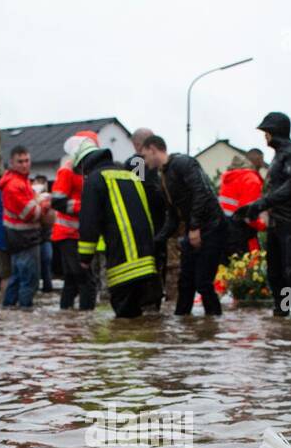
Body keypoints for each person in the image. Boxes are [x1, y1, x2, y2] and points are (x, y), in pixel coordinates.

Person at [234, 112, 291, 318]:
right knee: (276, 272)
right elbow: (276, 189)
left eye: (266, 132)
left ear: (274, 132)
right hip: (277, 223)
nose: (265, 137)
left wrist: (262, 203)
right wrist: (256, 207)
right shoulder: (279, 156)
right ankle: (283, 311)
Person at [74, 137, 160, 319]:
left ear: (84, 165)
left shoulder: (95, 180)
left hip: (124, 267)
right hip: (148, 263)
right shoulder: (130, 175)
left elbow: (89, 221)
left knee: (125, 324)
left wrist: (84, 258)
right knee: (146, 321)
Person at [142, 134, 225, 317]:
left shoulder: (183, 163)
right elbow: (172, 216)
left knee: (203, 282)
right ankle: (182, 323)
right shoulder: (162, 175)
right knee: (185, 283)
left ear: (152, 149)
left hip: (211, 226)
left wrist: (195, 227)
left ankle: (214, 325)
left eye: (145, 156)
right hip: (192, 228)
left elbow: (201, 192)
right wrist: (156, 241)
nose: (144, 161)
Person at [51, 133, 97, 311]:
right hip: (67, 234)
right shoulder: (67, 170)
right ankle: (85, 326)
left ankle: (68, 322)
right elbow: (58, 201)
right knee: (86, 280)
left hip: (77, 234)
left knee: (72, 281)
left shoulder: (85, 170)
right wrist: (86, 207)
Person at [125, 126, 171, 307]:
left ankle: (151, 300)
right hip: (153, 221)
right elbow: (142, 189)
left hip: (149, 222)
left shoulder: (139, 161)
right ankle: (153, 301)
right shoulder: (139, 161)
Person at [0, 145, 44, 309]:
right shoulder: (14, 185)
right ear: (11, 162)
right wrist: (44, 203)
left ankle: (10, 311)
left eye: (27, 161)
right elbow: (30, 213)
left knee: (17, 278)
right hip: (25, 238)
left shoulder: (20, 181)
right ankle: (25, 315)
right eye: (20, 162)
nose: (25, 165)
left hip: (20, 238)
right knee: (29, 280)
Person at [218, 155, 264, 260]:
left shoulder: (227, 180)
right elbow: (248, 213)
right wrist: (263, 225)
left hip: (224, 230)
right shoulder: (251, 179)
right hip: (243, 234)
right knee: (247, 271)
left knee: (225, 271)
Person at [32, 174, 55, 293]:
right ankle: (35, 288)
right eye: (38, 182)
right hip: (33, 238)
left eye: (42, 182)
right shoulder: (31, 196)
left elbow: (51, 218)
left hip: (45, 238)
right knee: (35, 266)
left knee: (46, 262)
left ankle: (47, 288)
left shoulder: (49, 198)